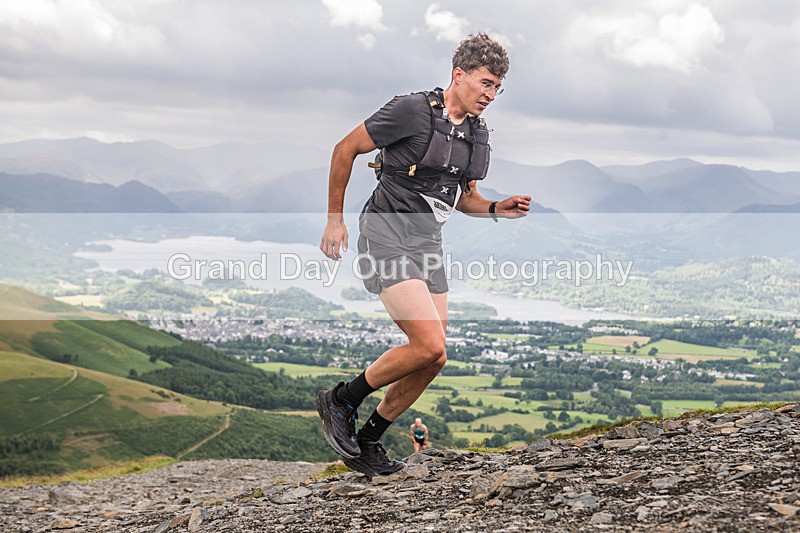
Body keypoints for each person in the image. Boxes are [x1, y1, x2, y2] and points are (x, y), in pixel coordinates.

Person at [317, 33, 530, 479]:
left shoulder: (476, 134)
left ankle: (369, 440)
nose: (490, 95)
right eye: (486, 83)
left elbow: (464, 198)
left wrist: (494, 207)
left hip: (427, 244)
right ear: (459, 75)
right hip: (385, 233)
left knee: (435, 357)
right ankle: (342, 401)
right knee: (428, 342)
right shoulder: (411, 110)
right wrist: (334, 220)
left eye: (498, 88)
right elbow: (345, 150)